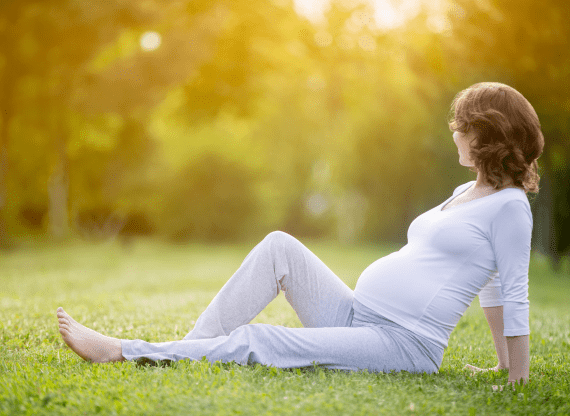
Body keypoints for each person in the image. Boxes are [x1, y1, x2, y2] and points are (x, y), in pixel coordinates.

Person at [57, 82, 544, 386]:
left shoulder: (510, 209)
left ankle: (122, 351)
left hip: (402, 343)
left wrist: (514, 376)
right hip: (358, 313)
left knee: (262, 341)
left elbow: (509, 291)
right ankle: (191, 350)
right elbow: (489, 284)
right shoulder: (467, 190)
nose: (454, 132)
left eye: (462, 125)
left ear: (487, 134)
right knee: (278, 247)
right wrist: (499, 367)